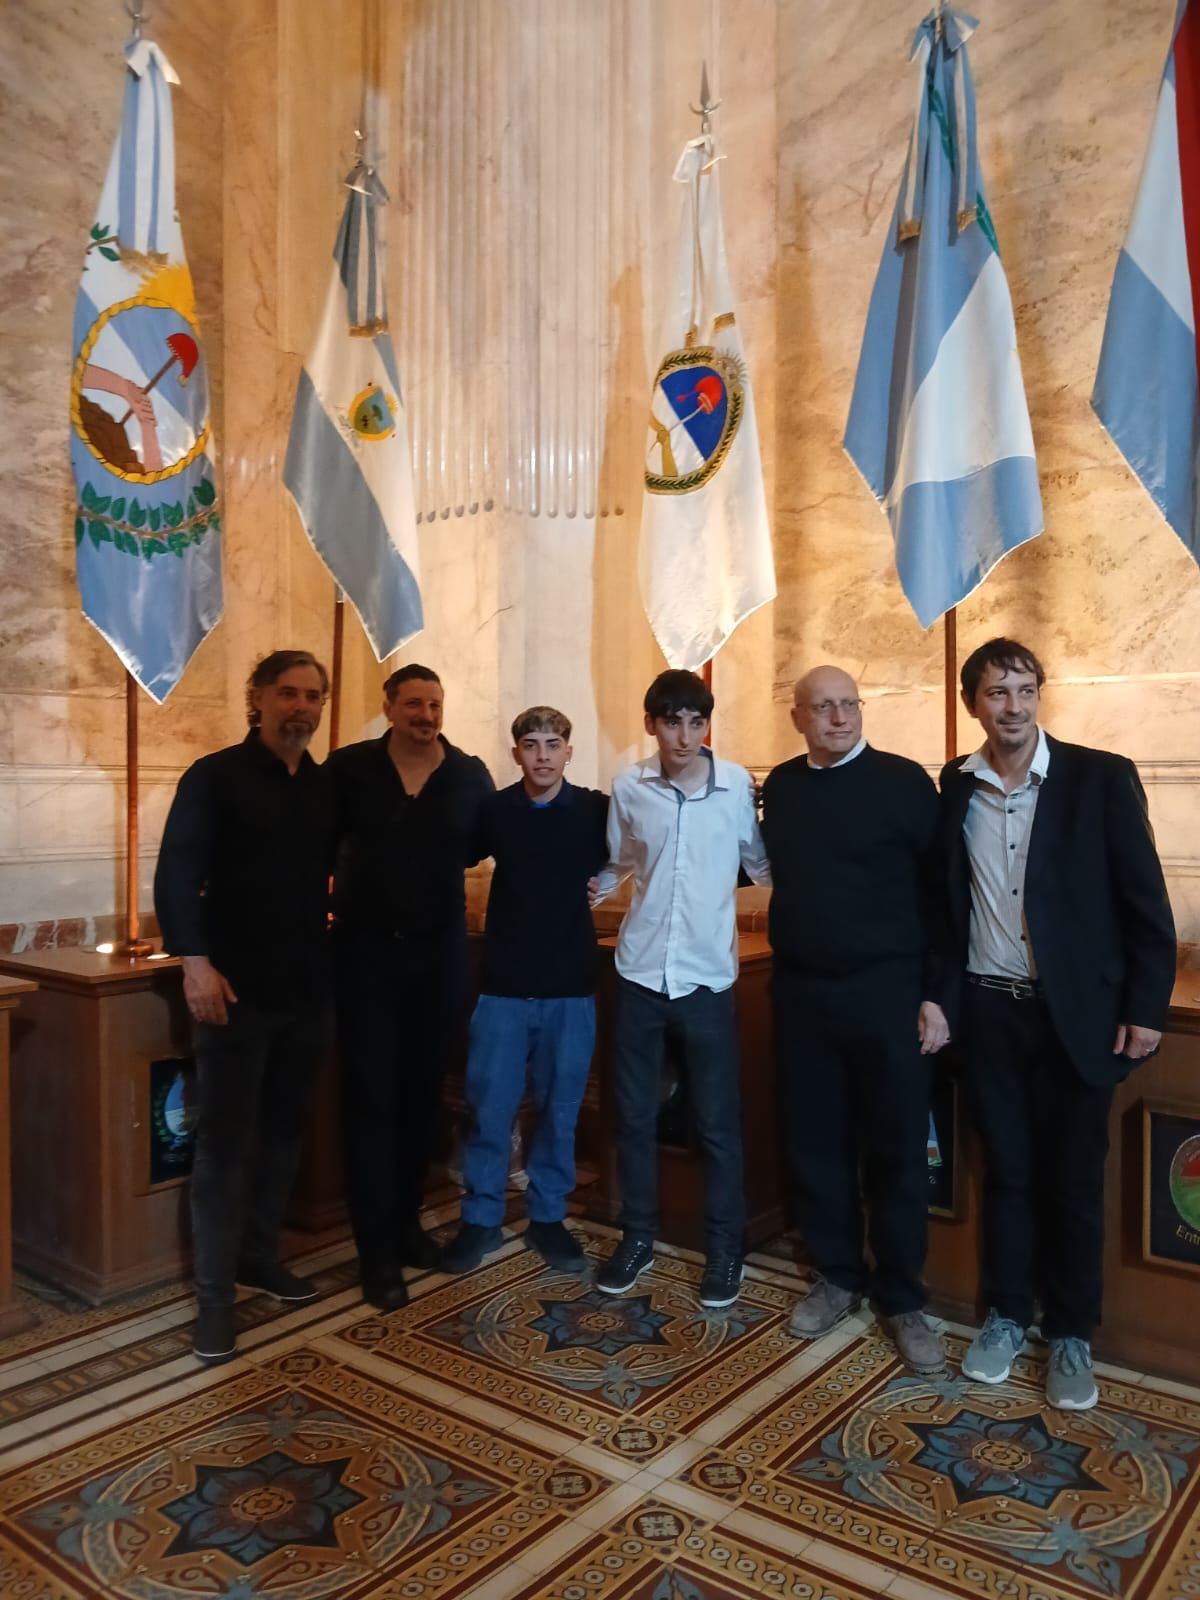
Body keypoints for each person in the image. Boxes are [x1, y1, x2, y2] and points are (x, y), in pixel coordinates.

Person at [939, 637, 1176, 1410]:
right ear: (973, 704)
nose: (1012, 706)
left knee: (1074, 1182)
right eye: (996, 692)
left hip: (1077, 1019)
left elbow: (1145, 903)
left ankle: (1071, 1334)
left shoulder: (1100, 778)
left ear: (1039, 696)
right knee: (1006, 1173)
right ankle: (1008, 1316)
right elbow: (946, 903)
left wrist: (1144, 1008)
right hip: (989, 1013)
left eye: (1024, 690)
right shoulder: (955, 784)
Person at [761, 666, 950, 1374]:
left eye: (849, 705)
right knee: (817, 1145)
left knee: (898, 1150)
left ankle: (902, 1297)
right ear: (798, 717)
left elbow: (944, 895)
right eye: (824, 707)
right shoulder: (781, 787)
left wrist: (937, 994)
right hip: (805, 995)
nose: (839, 718)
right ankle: (837, 1275)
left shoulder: (905, 783)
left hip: (890, 995)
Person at [154, 649, 335, 1365]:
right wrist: (194, 963)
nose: (301, 707)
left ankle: (260, 1257)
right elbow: (176, 873)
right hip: (233, 994)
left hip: (306, 991)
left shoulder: (323, 787)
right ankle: (213, 1300)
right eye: (288, 693)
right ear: (256, 697)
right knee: (225, 1146)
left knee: (284, 1133)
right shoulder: (214, 777)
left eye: (312, 696)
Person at [589, 669, 771, 1309]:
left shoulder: (736, 787)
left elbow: (760, 862)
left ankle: (724, 1250)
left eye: (697, 722)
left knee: (717, 1122)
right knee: (635, 1116)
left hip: (706, 978)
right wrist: (592, 888)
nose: (685, 736)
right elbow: (621, 861)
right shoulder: (629, 786)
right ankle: (637, 1236)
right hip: (639, 971)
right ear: (652, 724)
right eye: (672, 722)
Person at [327, 664, 494, 1311]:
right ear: (390, 707)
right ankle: (375, 1252)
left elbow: (489, 845)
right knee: (371, 1100)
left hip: (438, 958)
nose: (426, 715)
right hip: (365, 958)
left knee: (423, 1099)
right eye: (415, 703)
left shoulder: (468, 775)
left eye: (435, 704)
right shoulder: (349, 769)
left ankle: (406, 1227)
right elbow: (314, 846)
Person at [440, 707, 609, 1275]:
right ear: (516, 754)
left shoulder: (594, 809)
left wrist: (608, 883)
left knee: (560, 1110)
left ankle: (548, 1216)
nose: (542, 755)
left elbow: (637, 848)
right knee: (490, 1109)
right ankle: (481, 1218)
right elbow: (453, 851)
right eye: (531, 744)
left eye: (553, 744)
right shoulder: (494, 810)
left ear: (569, 752)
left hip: (570, 985)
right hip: (505, 986)